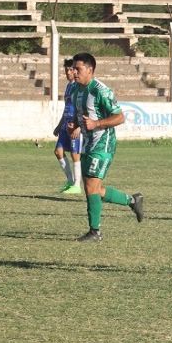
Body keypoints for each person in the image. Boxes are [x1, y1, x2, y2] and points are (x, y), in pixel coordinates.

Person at [69, 52, 144, 242]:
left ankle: (95, 232)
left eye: (78, 69)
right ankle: (132, 200)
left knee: (92, 186)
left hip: (103, 143)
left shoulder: (101, 91)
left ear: (90, 70)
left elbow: (119, 117)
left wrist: (97, 124)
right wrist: (75, 125)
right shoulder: (76, 90)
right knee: (93, 189)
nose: (74, 72)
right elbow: (82, 115)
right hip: (88, 143)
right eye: (73, 69)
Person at [53, 59, 83, 194]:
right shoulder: (69, 86)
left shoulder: (79, 87)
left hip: (74, 124)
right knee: (58, 151)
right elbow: (67, 106)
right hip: (66, 123)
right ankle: (70, 181)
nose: (68, 72)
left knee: (75, 154)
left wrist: (79, 126)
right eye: (66, 70)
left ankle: (77, 185)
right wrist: (59, 125)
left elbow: (83, 108)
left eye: (71, 69)